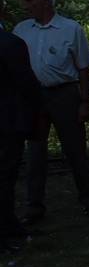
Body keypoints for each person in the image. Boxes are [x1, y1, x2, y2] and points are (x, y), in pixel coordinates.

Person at [13, 0, 89, 222]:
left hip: (64, 94)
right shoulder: (21, 29)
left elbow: (83, 67)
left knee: (74, 150)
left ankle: (88, 198)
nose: (24, 5)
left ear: (45, 2)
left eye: (29, 0)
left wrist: (84, 102)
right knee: (36, 153)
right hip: (33, 96)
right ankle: (34, 206)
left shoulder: (70, 29)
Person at [0, 30, 40, 250]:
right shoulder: (9, 43)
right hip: (7, 121)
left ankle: (9, 223)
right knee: (5, 175)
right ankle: (5, 229)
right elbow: (26, 81)